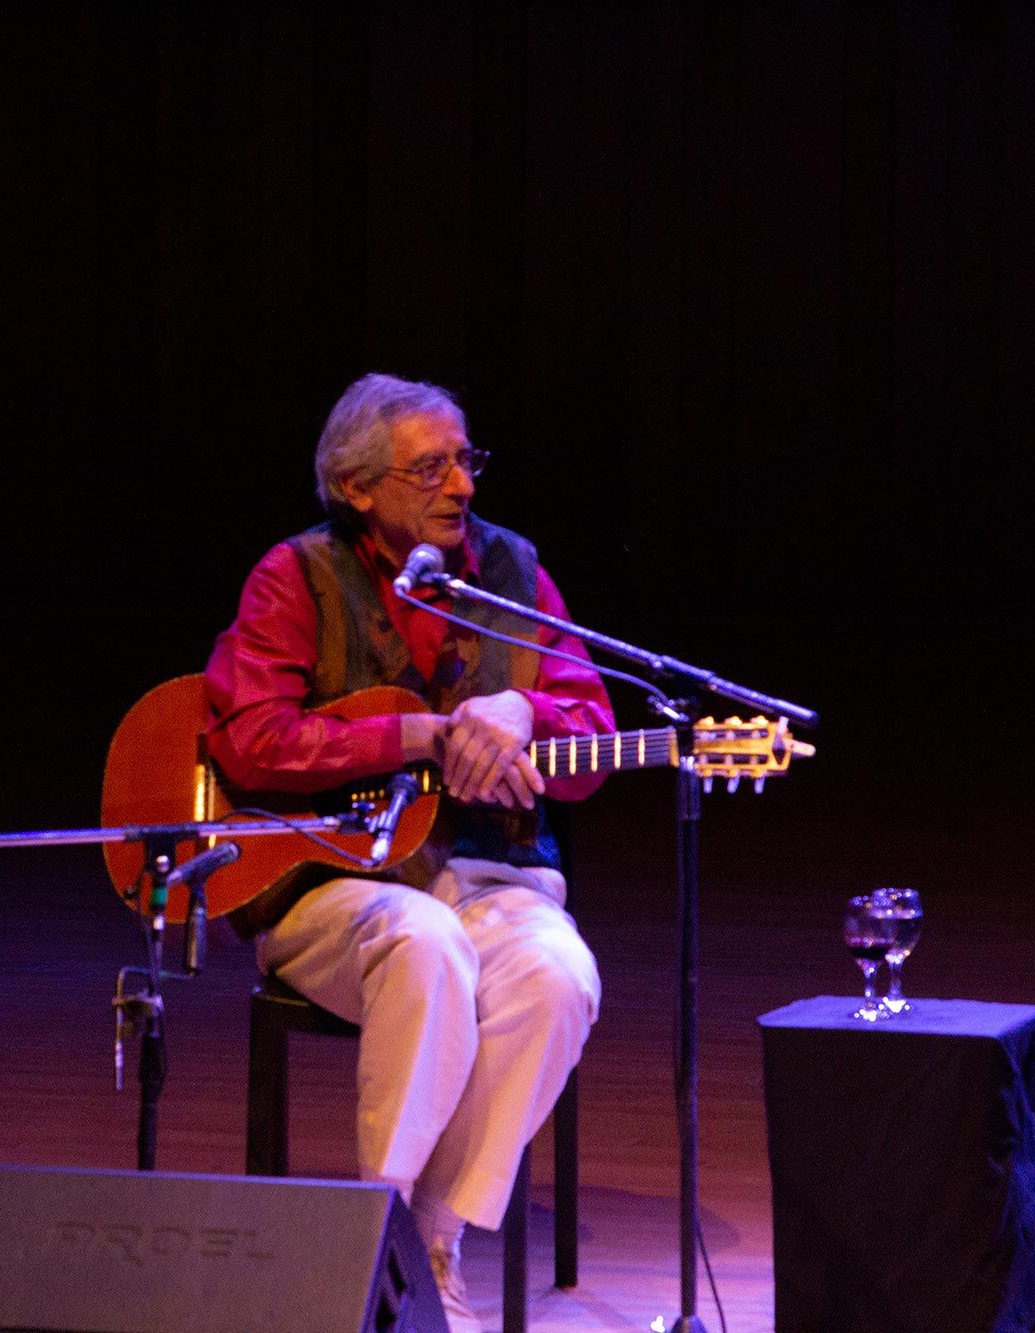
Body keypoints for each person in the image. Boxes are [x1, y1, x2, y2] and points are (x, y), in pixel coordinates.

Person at [203, 373, 613, 1332]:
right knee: (426, 943)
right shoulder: (295, 576)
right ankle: (368, 1247)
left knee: (558, 973)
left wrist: (525, 710)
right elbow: (250, 738)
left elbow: (588, 733)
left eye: (466, 459)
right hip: (328, 884)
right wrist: (418, 737)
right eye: (430, 466)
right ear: (357, 488)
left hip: (487, 878)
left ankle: (433, 1242)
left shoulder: (513, 573)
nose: (461, 485)